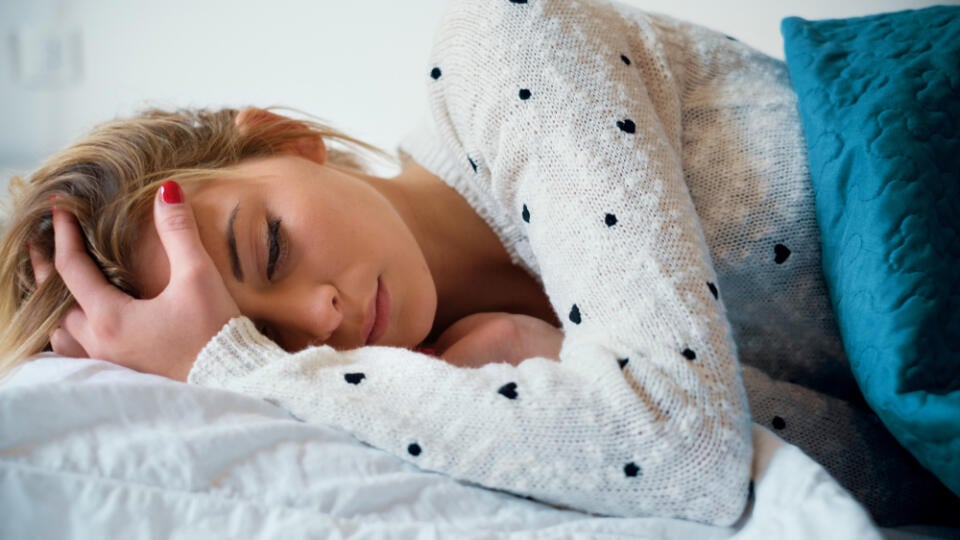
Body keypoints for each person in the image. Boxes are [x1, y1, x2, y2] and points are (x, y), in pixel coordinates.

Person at [0, 0, 955, 527]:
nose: (323, 318)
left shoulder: (503, 50)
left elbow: (686, 450)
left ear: (286, 139)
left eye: (269, 247)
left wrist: (241, 365)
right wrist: (523, 353)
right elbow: (892, 468)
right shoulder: (475, 389)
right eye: (268, 338)